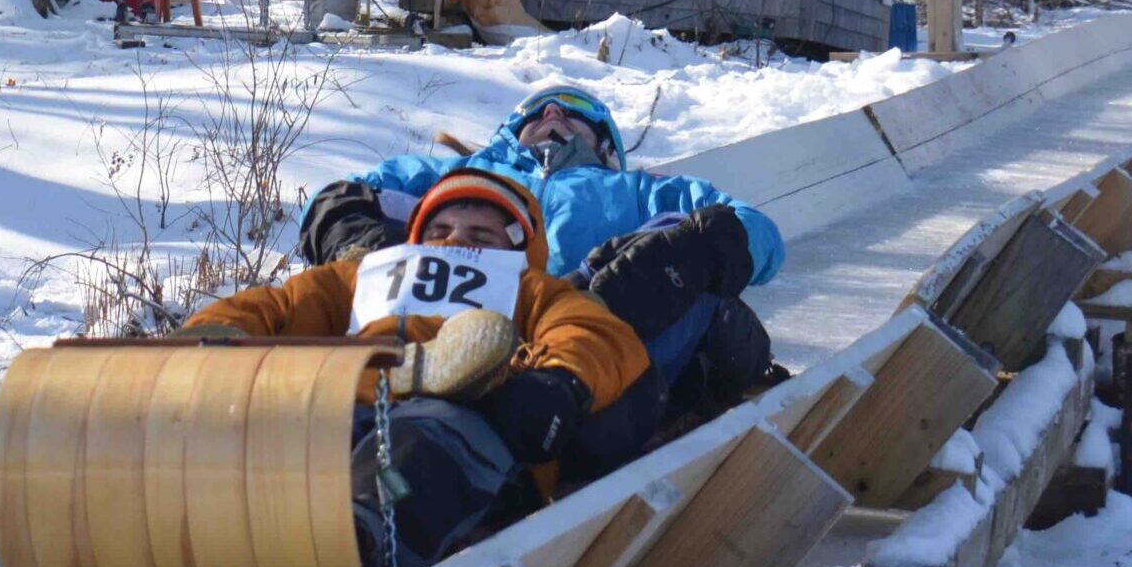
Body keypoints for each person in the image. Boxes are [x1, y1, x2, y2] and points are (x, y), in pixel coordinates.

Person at [186, 168, 650, 567]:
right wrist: (222, 334)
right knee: (289, 432)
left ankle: (353, 542)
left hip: (471, 416)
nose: (453, 242)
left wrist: (557, 381)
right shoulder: (362, 276)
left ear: (517, 248)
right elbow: (280, 306)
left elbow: (590, 331)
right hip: (347, 397)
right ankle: (205, 522)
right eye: (440, 230)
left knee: (422, 443)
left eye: (480, 234)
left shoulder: (531, 288)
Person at [299, 86, 785, 417]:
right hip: (456, 322)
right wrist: (375, 259)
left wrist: (691, 254)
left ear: (604, 143)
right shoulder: (458, 174)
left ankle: (581, 386)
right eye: (537, 111)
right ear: (510, 134)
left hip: (594, 319)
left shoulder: (636, 189)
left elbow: (749, 228)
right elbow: (345, 199)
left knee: (687, 248)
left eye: (572, 111)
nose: (552, 113)